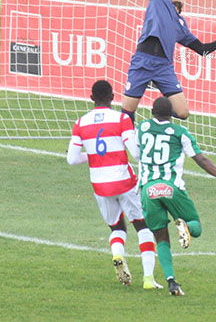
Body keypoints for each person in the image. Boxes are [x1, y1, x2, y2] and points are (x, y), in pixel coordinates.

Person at [137, 96, 216, 296]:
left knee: (161, 238)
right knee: (196, 225)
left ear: (152, 112)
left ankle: (171, 281)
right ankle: (185, 227)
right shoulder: (180, 133)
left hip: (148, 189)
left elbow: (135, 150)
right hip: (171, 187)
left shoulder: (141, 128)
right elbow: (201, 160)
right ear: (172, 114)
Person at [67, 80, 162, 290]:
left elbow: (72, 159)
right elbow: (135, 153)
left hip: (100, 184)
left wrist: (92, 156)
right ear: (112, 97)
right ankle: (148, 279)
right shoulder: (122, 119)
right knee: (142, 225)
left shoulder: (80, 123)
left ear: (91, 98)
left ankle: (117, 253)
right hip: (124, 181)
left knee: (117, 227)